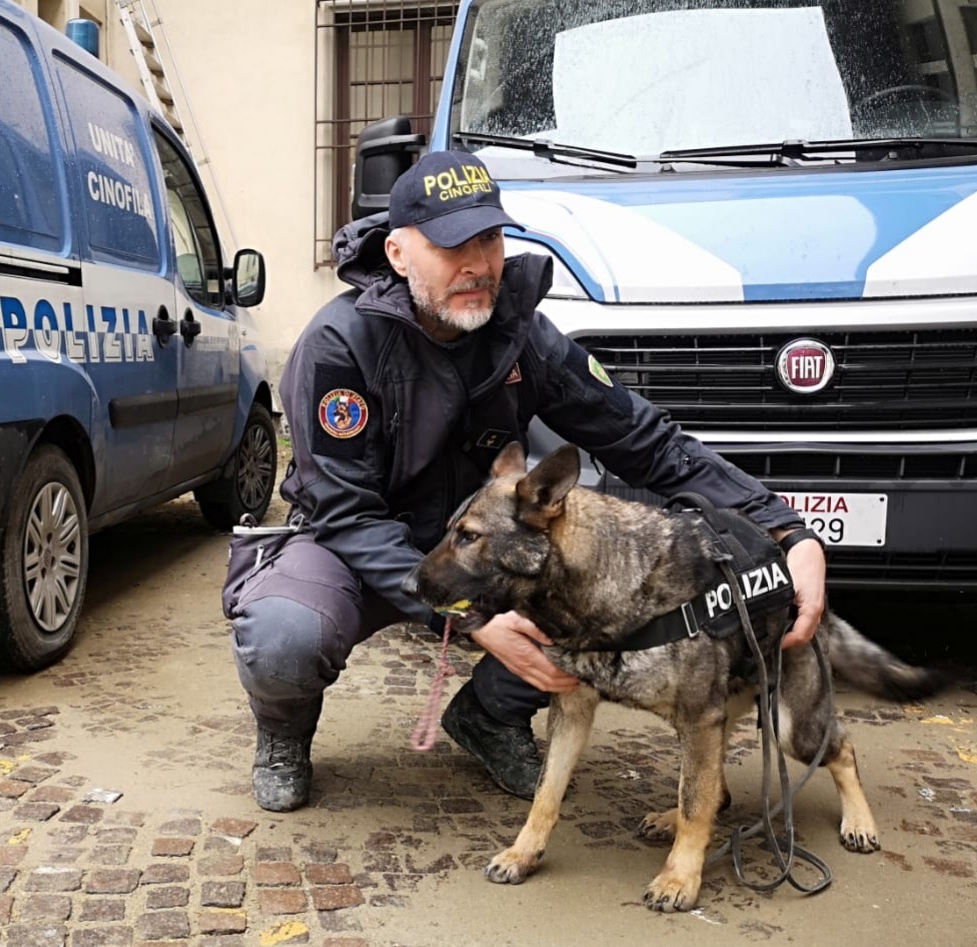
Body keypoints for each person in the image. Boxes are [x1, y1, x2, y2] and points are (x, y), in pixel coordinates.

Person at [222, 150, 826, 813]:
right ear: (397, 253)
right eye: (453, 244)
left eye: (489, 237)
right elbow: (344, 511)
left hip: (486, 549)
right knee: (284, 634)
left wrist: (781, 526)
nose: (478, 263)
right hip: (355, 545)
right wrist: (474, 619)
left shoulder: (523, 336)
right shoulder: (337, 346)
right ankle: (283, 730)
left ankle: (489, 714)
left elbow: (646, 442)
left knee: (604, 571)